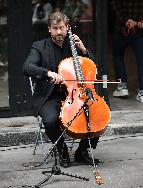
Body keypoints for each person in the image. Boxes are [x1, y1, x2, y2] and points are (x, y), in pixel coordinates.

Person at [23, 11, 99, 168]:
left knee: (95, 115)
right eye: (55, 28)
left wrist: (84, 50)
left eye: (62, 28)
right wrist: (47, 73)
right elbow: (27, 67)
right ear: (49, 29)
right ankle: (61, 149)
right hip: (49, 96)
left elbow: (93, 68)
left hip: (75, 94)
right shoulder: (39, 47)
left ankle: (82, 151)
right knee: (50, 120)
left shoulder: (75, 47)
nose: (59, 32)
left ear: (67, 28)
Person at [110, 0, 143, 103]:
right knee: (142, 60)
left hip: (122, 28)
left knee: (118, 55)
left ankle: (122, 87)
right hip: (139, 28)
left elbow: (115, 3)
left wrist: (125, 19)